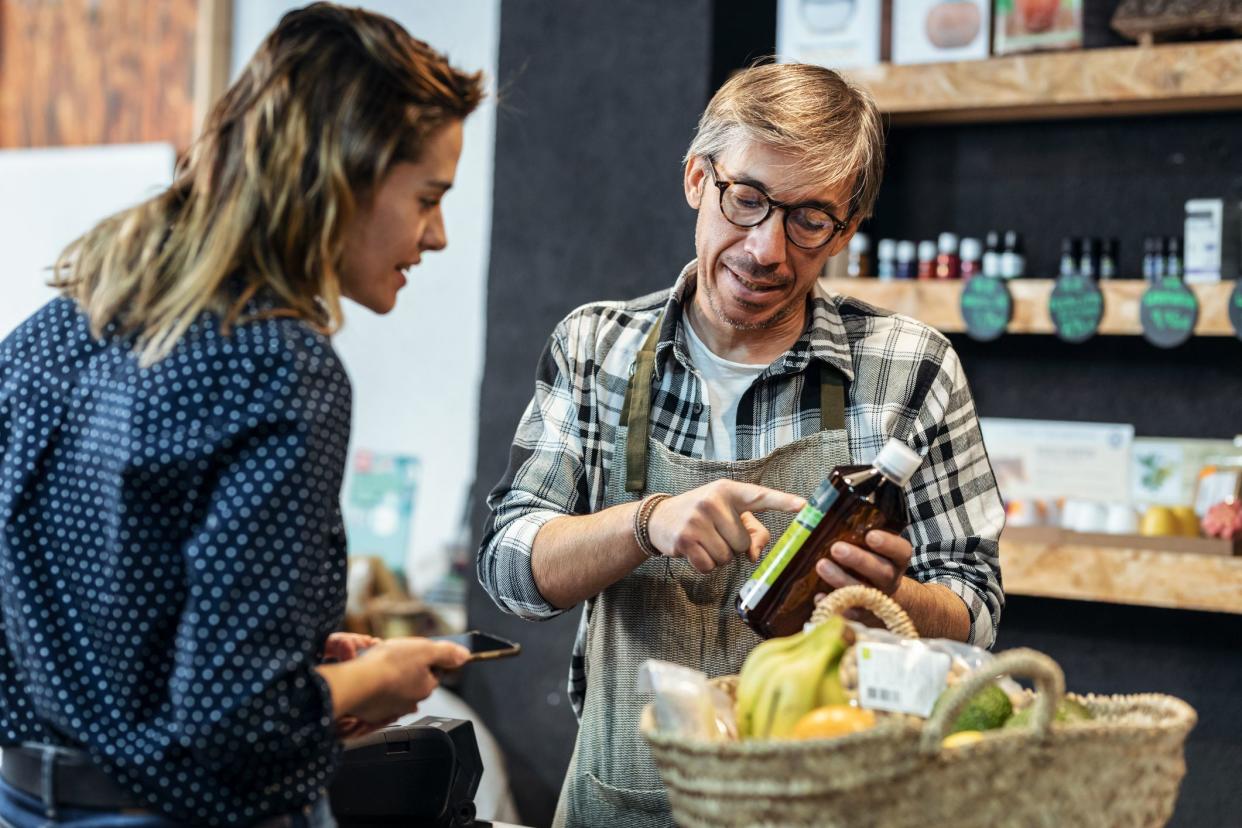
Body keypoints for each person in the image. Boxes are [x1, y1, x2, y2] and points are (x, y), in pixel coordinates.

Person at [478, 63, 1005, 827]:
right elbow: (509, 571)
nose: (766, 250)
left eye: (810, 220)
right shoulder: (597, 347)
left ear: (849, 228)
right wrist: (644, 523)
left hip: (829, 810)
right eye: (748, 200)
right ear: (698, 178)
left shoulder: (909, 368)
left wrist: (891, 597)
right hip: (619, 807)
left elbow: (977, 609)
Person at [0, 4, 482, 825]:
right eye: (428, 197)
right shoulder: (279, 368)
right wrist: (372, 681)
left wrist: (293, 660)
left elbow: (94, 609)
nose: (436, 236)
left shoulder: (62, 324)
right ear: (344, 176)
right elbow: (239, 723)